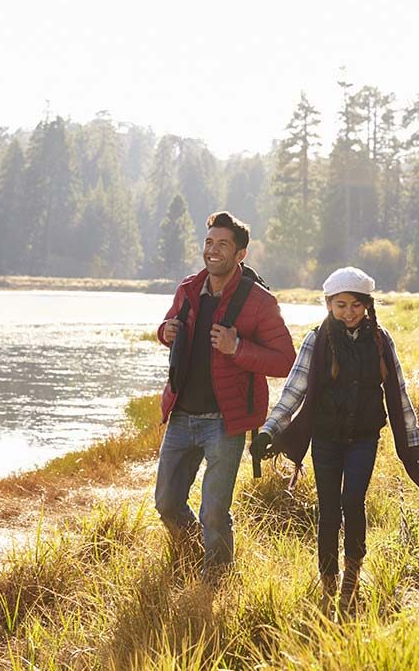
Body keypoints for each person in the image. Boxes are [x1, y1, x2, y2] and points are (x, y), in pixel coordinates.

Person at [257, 267, 419, 617]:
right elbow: (294, 390)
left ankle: (353, 576)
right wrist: (270, 430)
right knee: (328, 509)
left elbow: (399, 392)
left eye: (356, 305)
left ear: (367, 305)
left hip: (363, 438)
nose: (349, 312)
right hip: (326, 439)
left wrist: (414, 441)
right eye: (341, 305)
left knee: (353, 500)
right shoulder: (317, 339)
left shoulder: (380, 339)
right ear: (329, 304)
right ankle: (329, 580)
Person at [155, 211, 296, 579]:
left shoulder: (260, 302)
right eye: (208, 243)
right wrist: (164, 332)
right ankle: (189, 557)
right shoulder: (188, 289)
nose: (212, 251)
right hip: (181, 415)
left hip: (225, 422)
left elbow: (285, 361)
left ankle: (215, 581)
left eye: (222, 245)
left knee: (214, 512)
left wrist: (237, 349)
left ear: (241, 254)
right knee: (167, 503)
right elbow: (169, 326)